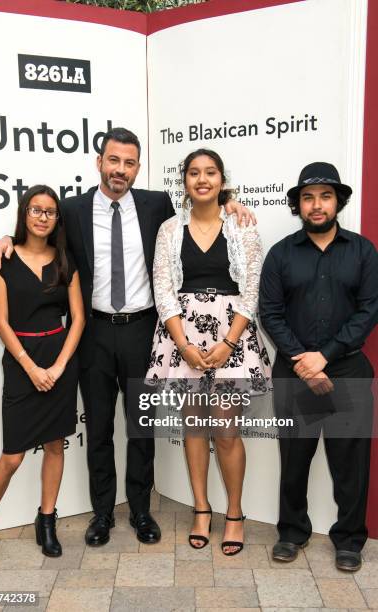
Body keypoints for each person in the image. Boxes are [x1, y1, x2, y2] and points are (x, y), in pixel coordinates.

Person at [0, 128, 255, 547]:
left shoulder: (156, 205)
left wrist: (231, 204)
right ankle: (102, 514)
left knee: (142, 426)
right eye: (114, 161)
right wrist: (7, 237)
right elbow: (37, 235)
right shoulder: (72, 210)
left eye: (129, 163)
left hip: (144, 331)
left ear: (138, 168)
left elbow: (200, 210)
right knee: (98, 427)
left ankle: (141, 510)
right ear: (99, 162)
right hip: (91, 332)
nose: (120, 170)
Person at [147, 148, 271, 555]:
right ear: (184, 181)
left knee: (227, 429)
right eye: (194, 173)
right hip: (181, 336)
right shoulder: (168, 229)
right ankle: (202, 509)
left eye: (211, 172)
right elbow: (163, 289)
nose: (202, 179)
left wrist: (230, 342)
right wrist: (182, 344)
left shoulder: (243, 225)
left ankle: (234, 513)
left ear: (221, 179)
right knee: (194, 427)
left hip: (230, 336)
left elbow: (251, 290)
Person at [259, 162, 378, 572]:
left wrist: (324, 356)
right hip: (295, 372)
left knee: (351, 463)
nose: (316, 205)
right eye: (308, 197)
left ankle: (348, 539)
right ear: (298, 204)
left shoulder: (363, 251)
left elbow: (369, 311)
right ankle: (292, 533)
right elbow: (270, 314)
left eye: (325, 196)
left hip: (346, 370)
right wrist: (304, 362)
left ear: (338, 201)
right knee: (295, 460)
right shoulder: (280, 254)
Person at [0, 185, 85, 571]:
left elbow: (78, 320)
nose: (42, 216)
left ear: (57, 220)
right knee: (13, 455)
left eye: (50, 211)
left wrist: (57, 367)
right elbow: (0, 323)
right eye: (35, 209)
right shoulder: (2, 260)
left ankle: (47, 521)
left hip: (59, 363)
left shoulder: (65, 261)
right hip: (22, 364)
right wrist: (32, 368)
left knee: (55, 446)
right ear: (23, 214)